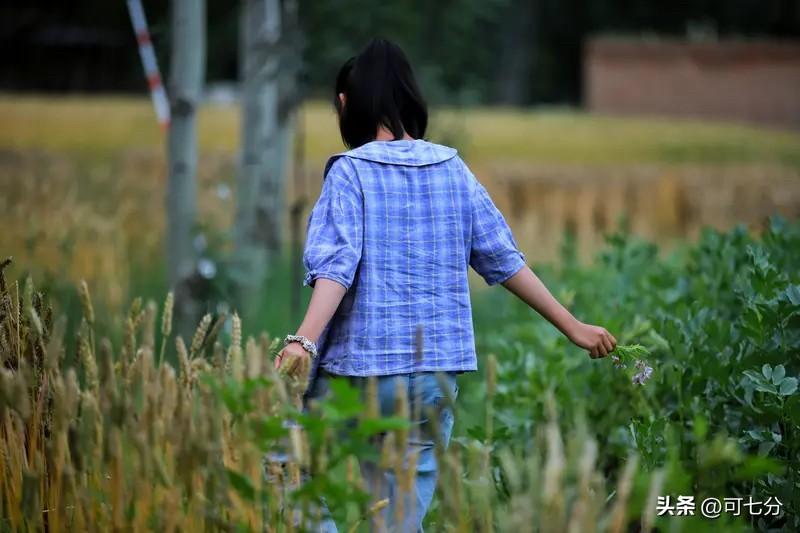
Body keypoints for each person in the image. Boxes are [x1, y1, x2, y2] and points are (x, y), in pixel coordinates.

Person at [275, 37, 617, 532]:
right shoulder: (453, 169)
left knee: (287, 459)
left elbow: (336, 266)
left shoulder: (350, 173)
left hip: (362, 373)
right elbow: (504, 259)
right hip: (435, 376)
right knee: (398, 521)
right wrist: (574, 326)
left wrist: (304, 339)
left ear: (345, 104)